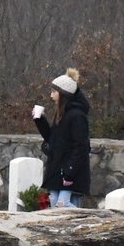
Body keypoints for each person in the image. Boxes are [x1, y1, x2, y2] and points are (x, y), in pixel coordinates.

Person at [32, 68, 91, 208]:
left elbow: (81, 146)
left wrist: (69, 172)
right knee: (54, 205)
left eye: (54, 92)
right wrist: (40, 120)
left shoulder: (77, 116)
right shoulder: (62, 115)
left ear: (63, 94)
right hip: (58, 170)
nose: (51, 95)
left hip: (69, 172)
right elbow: (52, 139)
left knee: (62, 205)